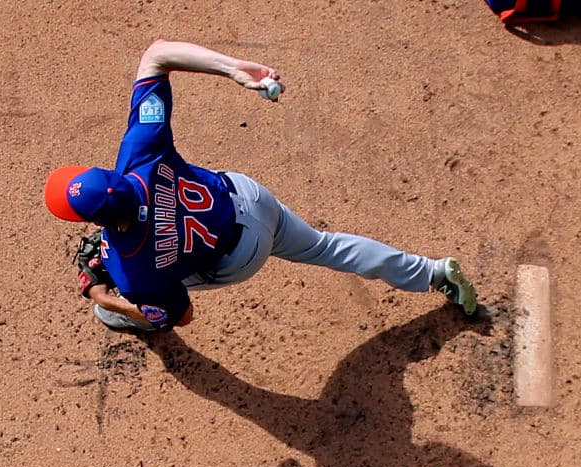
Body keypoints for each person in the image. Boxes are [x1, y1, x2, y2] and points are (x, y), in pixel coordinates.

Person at [44, 39, 477, 333]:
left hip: (240, 258)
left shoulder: (132, 267)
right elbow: (157, 54)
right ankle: (434, 272)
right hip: (249, 199)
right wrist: (234, 69)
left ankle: (116, 307)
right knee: (327, 246)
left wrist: (106, 293)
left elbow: (183, 316)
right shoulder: (140, 152)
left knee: (144, 299)